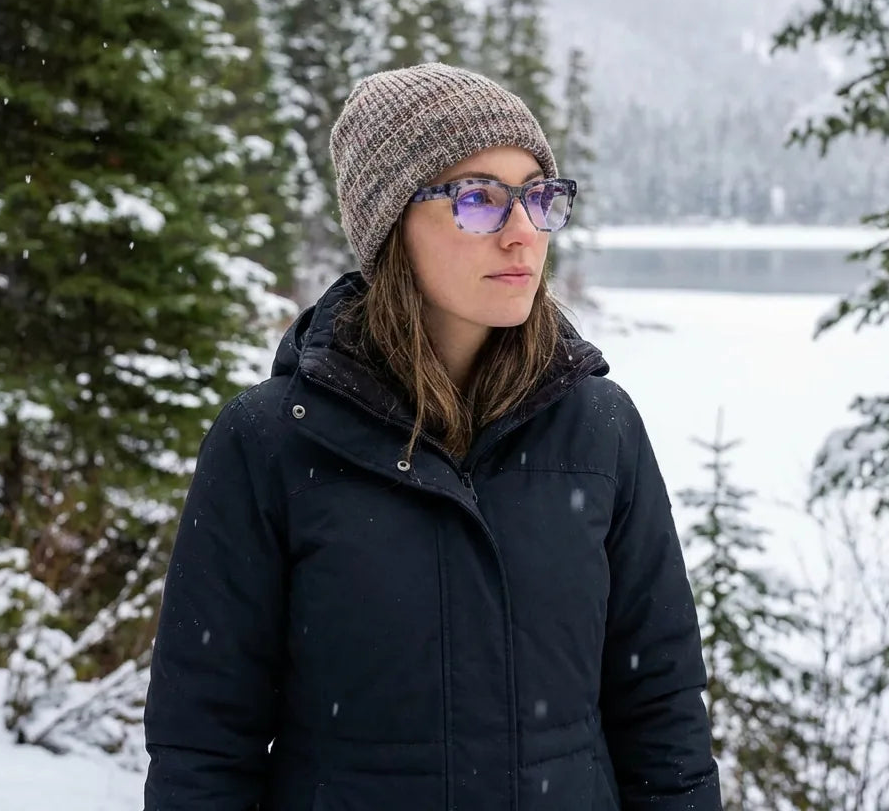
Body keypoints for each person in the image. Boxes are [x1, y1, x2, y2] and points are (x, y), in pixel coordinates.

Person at [143, 63, 721, 811]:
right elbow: (203, 746)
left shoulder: (600, 428)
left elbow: (663, 712)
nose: (523, 233)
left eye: (538, 197)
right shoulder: (269, 443)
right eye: (479, 199)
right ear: (391, 227)